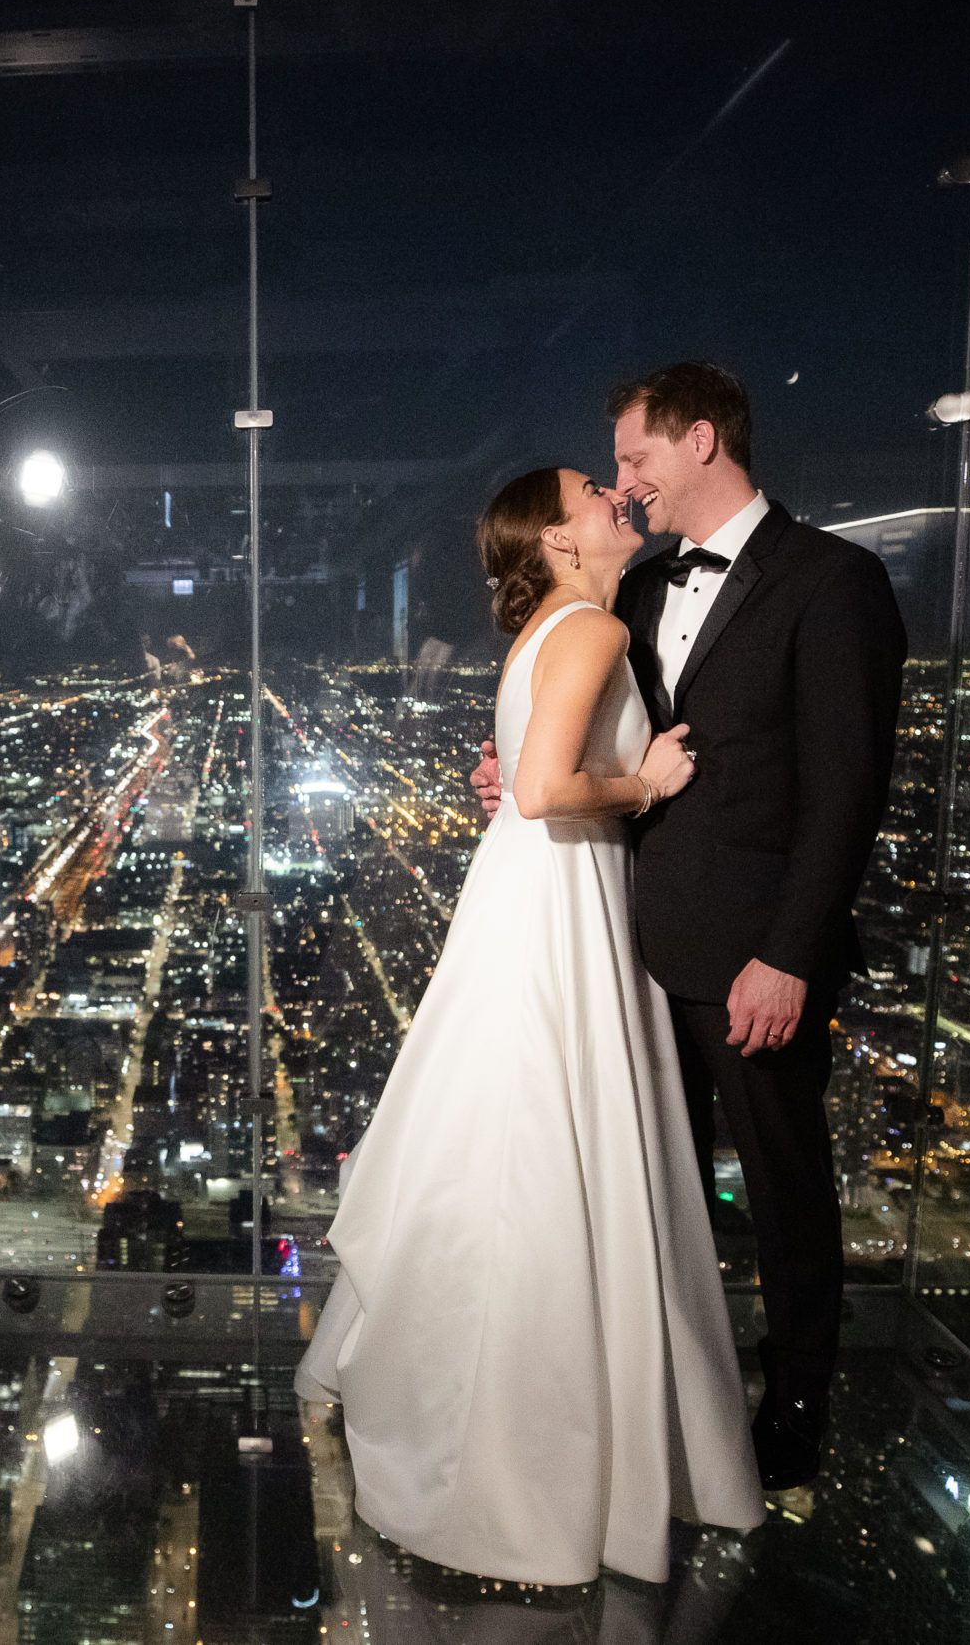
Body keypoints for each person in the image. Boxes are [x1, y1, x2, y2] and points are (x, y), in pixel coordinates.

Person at [296, 465, 768, 1587]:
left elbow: (521, 776)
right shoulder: (593, 630)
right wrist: (648, 783)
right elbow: (546, 791)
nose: (616, 495)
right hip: (564, 889)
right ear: (557, 538)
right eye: (593, 492)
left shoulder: (546, 632)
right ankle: (553, 1454)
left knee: (518, 1129)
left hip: (534, 891)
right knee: (565, 1132)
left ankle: (500, 1422)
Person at [471, 361, 907, 1490]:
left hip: (752, 958)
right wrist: (518, 770)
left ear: (702, 439)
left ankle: (793, 1410)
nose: (622, 483)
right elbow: (580, 726)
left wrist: (788, 955)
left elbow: (846, 792)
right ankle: (668, 1397)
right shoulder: (636, 589)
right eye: (611, 470)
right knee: (654, 1190)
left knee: (784, 1188)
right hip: (625, 946)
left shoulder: (833, 580)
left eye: (634, 457)